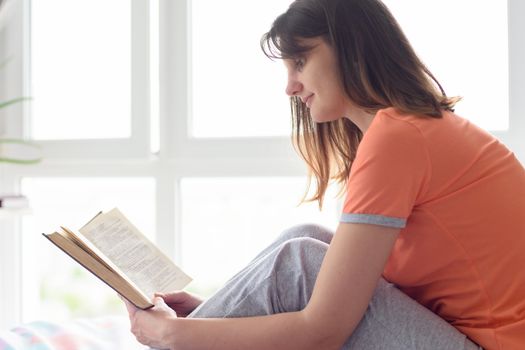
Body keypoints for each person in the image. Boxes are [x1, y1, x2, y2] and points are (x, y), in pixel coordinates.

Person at [121, 0, 525, 349]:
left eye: (300, 61)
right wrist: (211, 313)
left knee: (299, 262)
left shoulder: (398, 138)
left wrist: (170, 335)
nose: (290, 87)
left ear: (351, 48)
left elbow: (323, 332)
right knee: (308, 238)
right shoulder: (415, 129)